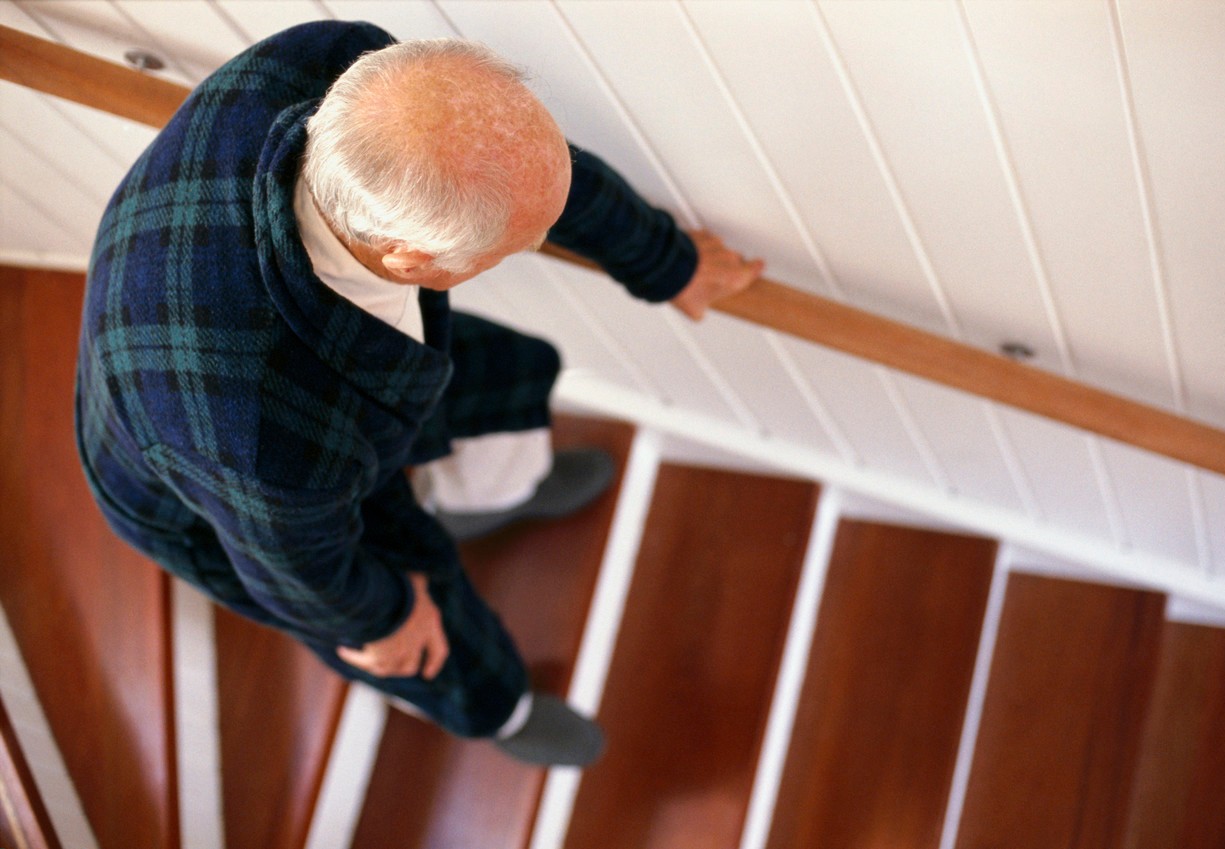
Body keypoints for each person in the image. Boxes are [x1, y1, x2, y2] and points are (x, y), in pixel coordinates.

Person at [75, 20, 761, 766]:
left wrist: (667, 262)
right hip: (224, 489)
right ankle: (498, 710)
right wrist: (385, 616)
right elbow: (299, 572)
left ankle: (502, 488)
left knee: (507, 367)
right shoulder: (257, 429)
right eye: (514, 247)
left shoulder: (337, 67)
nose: (532, 245)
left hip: (296, 371)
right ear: (408, 256)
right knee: (411, 623)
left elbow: (539, 177)